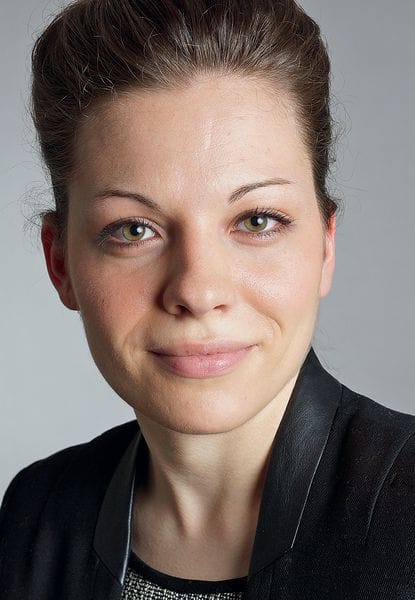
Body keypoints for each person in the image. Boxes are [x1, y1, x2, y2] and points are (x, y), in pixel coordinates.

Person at [0, 0, 414, 598]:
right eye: (134, 230)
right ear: (59, 262)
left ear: (326, 246)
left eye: (257, 220)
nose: (197, 291)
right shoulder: (33, 518)